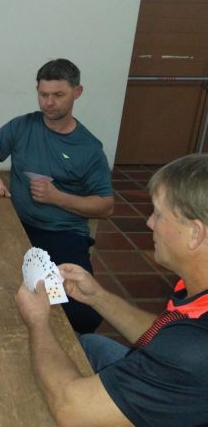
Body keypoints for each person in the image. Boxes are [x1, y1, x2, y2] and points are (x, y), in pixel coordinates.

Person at [15, 153, 208, 427]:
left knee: (34, 386)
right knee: (88, 344)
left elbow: (72, 411)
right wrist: (98, 297)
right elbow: (164, 334)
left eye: (158, 213)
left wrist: (38, 321)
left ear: (196, 233)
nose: (149, 223)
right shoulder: (198, 293)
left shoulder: (193, 349)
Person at [0, 58, 113, 334]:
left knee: (84, 315)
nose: (49, 103)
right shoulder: (22, 126)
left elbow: (105, 206)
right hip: (15, 223)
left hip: (62, 233)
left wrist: (58, 197)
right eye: (43, 94)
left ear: (77, 92)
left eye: (58, 95)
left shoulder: (89, 148)